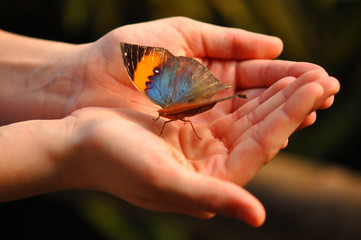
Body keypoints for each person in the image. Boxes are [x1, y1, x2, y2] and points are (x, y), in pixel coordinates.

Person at [0, 17, 339, 227]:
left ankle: (226, 96)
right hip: (191, 87)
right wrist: (68, 147)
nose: (157, 117)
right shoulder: (160, 106)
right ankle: (225, 95)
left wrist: (69, 73)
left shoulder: (161, 105)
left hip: (191, 94)